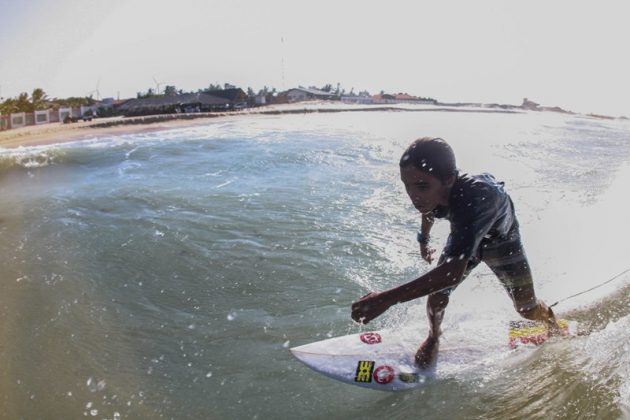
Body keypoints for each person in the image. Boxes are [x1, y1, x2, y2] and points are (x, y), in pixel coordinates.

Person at [351, 137, 561, 368]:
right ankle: (433, 337)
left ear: (449, 180)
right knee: (438, 294)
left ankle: (553, 324)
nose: (414, 196)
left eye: (421, 186)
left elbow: (450, 273)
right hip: (466, 235)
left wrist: (386, 299)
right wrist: (424, 240)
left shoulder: (476, 198)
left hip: (500, 239)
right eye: (406, 185)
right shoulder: (433, 193)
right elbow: (428, 210)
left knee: (526, 309)